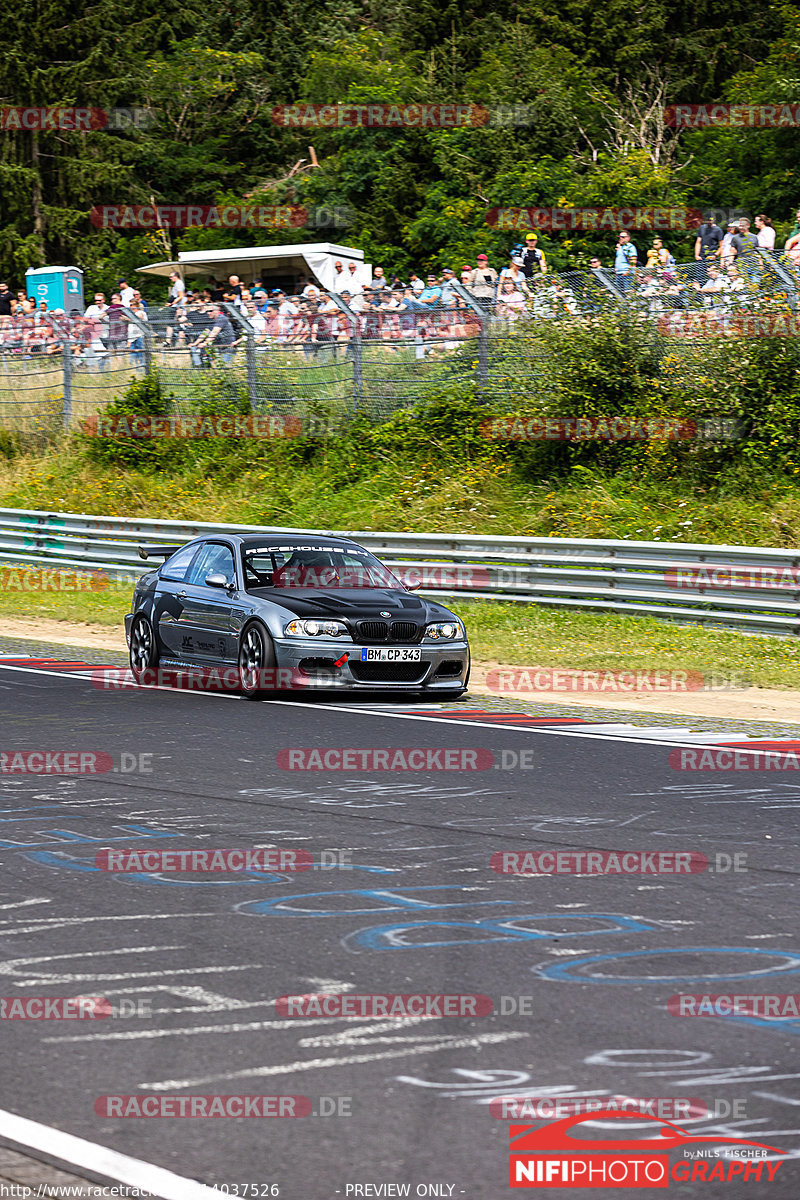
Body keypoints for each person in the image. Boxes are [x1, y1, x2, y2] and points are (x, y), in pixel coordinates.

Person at [693, 213, 723, 283]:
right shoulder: (702, 228)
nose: (709, 222)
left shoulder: (718, 230)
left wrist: (715, 255)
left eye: (710, 220)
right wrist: (697, 255)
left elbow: (722, 245)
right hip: (701, 257)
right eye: (707, 220)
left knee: (713, 275)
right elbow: (698, 242)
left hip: (711, 257)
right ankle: (700, 291)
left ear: (714, 219)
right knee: (700, 277)